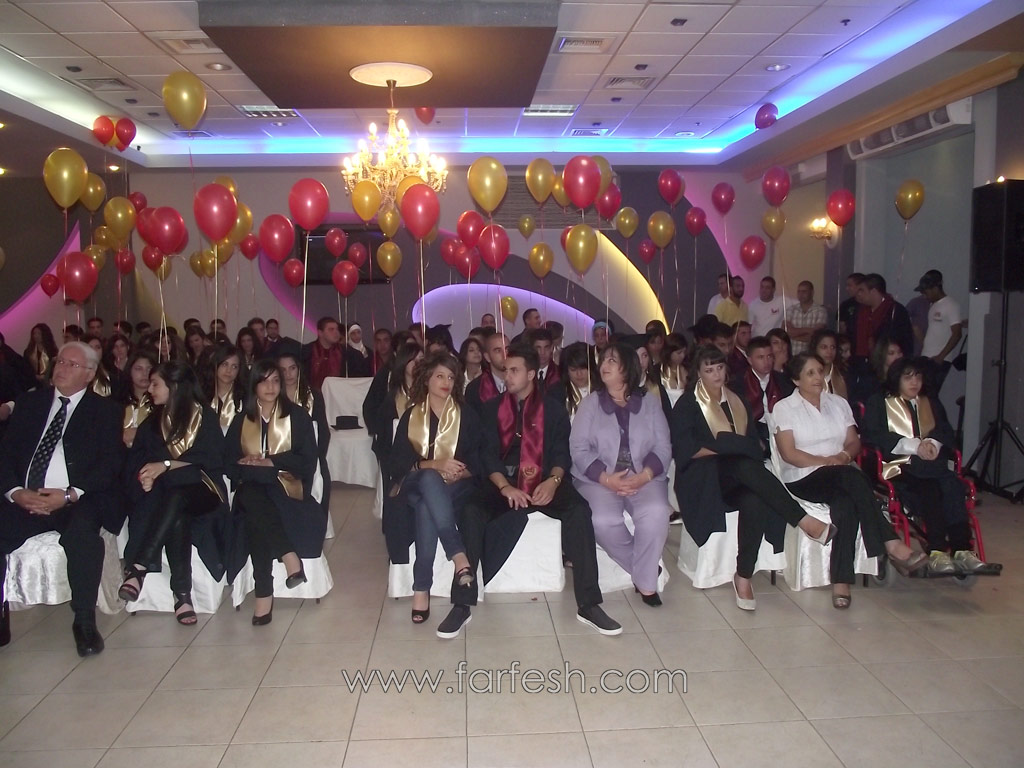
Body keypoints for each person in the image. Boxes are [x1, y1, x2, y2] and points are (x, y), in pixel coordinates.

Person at [463, 345, 623, 635]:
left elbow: (562, 452)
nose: (507, 376)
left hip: (544, 479)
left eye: (514, 371)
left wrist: (553, 481)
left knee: (579, 511)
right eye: (506, 370)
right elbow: (486, 455)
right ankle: (462, 602)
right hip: (503, 482)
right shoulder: (491, 408)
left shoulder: (552, 408)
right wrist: (505, 487)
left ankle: (589, 604)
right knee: (471, 510)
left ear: (531, 374)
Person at [671, 345, 832, 610]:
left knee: (753, 499)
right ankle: (803, 520)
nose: (716, 375)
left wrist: (731, 446)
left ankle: (743, 575)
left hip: (739, 476)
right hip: (702, 476)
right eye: (709, 370)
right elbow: (686, 450)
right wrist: (726, 447)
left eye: (720, 368)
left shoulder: (738, 400)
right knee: (741, 462)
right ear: (698, 372)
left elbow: (753, 446)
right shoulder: (688, 404)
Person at [772, 352, 927, 608]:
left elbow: (854, 442)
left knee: (845, 504)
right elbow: (789, 454)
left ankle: (841, 582)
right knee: (853, 477)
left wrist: (843, 456)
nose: (818, 377)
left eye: (820, 371)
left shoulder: (838, 403)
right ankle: (890, 543)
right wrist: (826, 461)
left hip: (840, 473)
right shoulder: (784, 408)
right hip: (803, 477)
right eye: (810, 373)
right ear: (796, 380)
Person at [0, 342, 123, 654]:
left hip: (75, 498)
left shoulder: (105, 411)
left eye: (72, 365)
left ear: (90, 374)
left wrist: (69, 494)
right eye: (60, 362)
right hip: (26, 497)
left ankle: (84, 620)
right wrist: (16, 492)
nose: (62, 369)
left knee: (83, 536)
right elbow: (6, 454)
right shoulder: (30, 403)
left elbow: (110, 465)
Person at [118, 360, 228, 626]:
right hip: (167, 495)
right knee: (177, 512)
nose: (149, 389)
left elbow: (213, 459)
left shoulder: (204, 416)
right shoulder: (152, 422)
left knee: (177, 496)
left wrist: (167, 465)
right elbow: (137, 461)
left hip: (204, 490)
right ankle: (182, 596)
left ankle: (139, 566)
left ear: (174, 386)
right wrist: (145, 476)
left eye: (155, 384)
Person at [862, 358, 989, 574]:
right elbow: (873, 435)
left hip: (931, 465)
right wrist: (914, 446)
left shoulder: (929, 402)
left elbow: (945, 430)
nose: (914, 382)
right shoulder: (880, 402)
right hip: (897, 466)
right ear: (896, 379)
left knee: (953, 486)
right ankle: (937, 550)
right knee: (930, 488)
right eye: (908, 377)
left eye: (918, 377)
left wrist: (932, 443)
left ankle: (962, 549)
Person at [226, 359, 327, 625]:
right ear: (254, 386)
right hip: (254, 490)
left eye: (275, 381)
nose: (270, 387)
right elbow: (227, 462)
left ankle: (264, 594)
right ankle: (288, 556)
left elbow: (307, 461)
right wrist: (245, 462)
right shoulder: (242, 420)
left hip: (287, 491)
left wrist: (270, 462)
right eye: (264, 381)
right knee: (252, 497)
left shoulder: (297, 416)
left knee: (252, 505)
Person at [569, 342, 671, 606]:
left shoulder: (649, 403)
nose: (604, 365)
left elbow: (663, 447)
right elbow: (578, 449)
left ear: (628, 367)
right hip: (598, 479)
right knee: (602, 520)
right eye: (603, 360)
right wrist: (606, 478)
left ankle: (645, 584)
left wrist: (645, 475)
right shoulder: (590, 404)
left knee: (657, 512)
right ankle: (645, 573)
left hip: (643, 476)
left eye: (612, 361)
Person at [388, 352, 481, 636]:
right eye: (439, 376)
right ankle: (459, 557)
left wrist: (460, 473)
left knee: (426, 508)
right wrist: (435, 465)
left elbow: (480, 458)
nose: (446, 382)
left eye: (451, 377)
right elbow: (397, 465)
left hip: (455, 486)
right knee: (429, 479)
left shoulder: (467, 415)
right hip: (415, 482)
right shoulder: (411, 415)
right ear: (427, 379)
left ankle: (421, 589)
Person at [278, 350, 332, 513]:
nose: (288, 374)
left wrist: (315, 457)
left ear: (299, 369)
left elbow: (323, 431)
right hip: (281, 458)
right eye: (283, 370)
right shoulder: (273, 396)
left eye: (292, 368)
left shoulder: (313, 395)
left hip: (310, 455)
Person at [848, 273, 914, 403]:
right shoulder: (860, 311)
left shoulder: (895, 311)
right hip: (861, 364)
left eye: (862, 290)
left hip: (885, 365)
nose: (858, 294)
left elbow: (905, 341)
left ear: (873, 291)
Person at [371, 343, 423, 486]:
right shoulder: (391, 399)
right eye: (413, 360)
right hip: (396, 456)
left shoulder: (430, 394)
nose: (417, 363)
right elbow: (383, 437)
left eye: (421, 359)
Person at [742, 336, 794, 450]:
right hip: (752, 432)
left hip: (782, 430)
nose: (766, 362)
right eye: (760, 357)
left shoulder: (784, 381)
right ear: (750, 360)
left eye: (769, 356)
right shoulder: (738, 384)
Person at [917, 270, 962, 396]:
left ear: (935, 288)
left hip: (937, 359)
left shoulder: (951, 305)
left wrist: (941, 356)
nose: (925, 296)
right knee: (921, 395)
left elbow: (957, 334)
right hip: (927, 356)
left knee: (929, 396)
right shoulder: (933, 306)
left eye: (926, 292)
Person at [204, 344, 245, 434]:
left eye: (234, 367)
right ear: (216, 365)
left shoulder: (244, 398)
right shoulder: (203, 395)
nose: (228, 370)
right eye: (224, 364)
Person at [120, 349, 157, 449]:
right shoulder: (116, 402)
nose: (145, 373)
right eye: (138, 369)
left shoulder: (161, 404)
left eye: (149, 368)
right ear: (130, 370)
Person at [465, 332, 508, 415]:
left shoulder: (523, 382)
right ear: (487, 357)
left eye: (507, 349)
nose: (505, 355)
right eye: (498, 351)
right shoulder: (475, 388)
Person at [786, 281, 827, 355]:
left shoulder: (820, 310)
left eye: (804, 291)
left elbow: (816, 336)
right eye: (799, 291)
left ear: (812, 292)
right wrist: (809, 330)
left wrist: (794, 336)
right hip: (792, 355)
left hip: (812, 355)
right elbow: (787, 332)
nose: (801, 294)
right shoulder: (791, 309)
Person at [810, 329, 848, 400]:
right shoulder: (807, 376)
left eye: (833, 347)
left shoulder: (843, 375)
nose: (829, 351)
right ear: (815, 349)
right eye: (824, 347)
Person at [560, 341, 594, 422]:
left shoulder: (603, 393)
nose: (579, 374)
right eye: (573, 370)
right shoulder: (558, 396)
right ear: (567, 371)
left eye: (583, 368)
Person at [659, 332, 689, 408]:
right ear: (669, 352)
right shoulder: (657, 371)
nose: (682, 356)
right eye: (679, 353)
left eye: (684, 352)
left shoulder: (688, 369)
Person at [531, 327, 562, 394]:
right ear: (532, 349)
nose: (542, 352)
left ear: (551, 348)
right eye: (538, 348)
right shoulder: (525, 373)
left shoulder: (561, 374)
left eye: (546, 347)